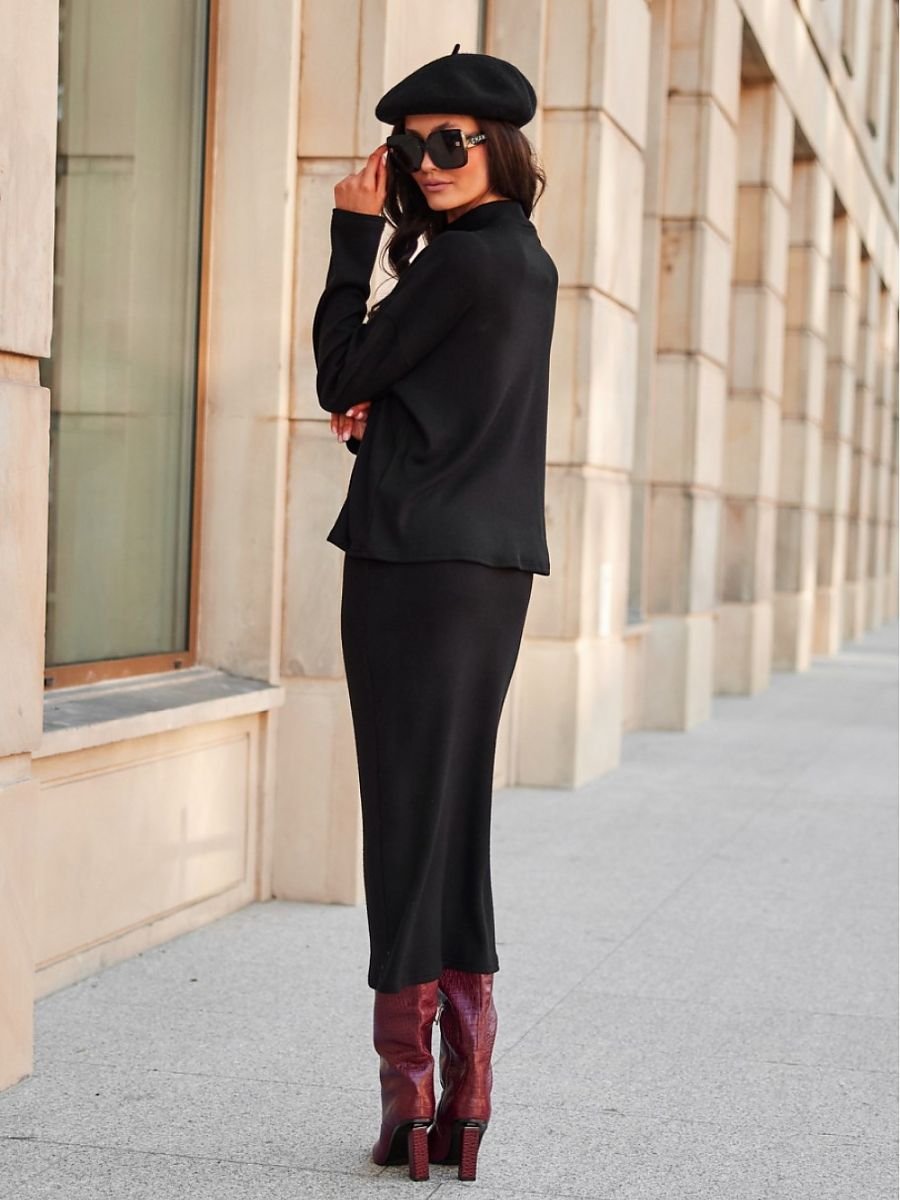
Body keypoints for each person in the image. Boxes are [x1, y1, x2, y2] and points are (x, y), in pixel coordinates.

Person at [311, 44, 558, 1183]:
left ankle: (410, 1095)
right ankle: (463, 1096)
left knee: (406, 821)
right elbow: (443, 403)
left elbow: (340, 367)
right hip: (487, 570)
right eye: (409, 147)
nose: (427, 161)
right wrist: (386, 416)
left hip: (412, 569)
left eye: (451, 141)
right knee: (450, 820)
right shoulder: (523, 261)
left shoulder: (459, 260)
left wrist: (350, 236)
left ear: (497, 145)